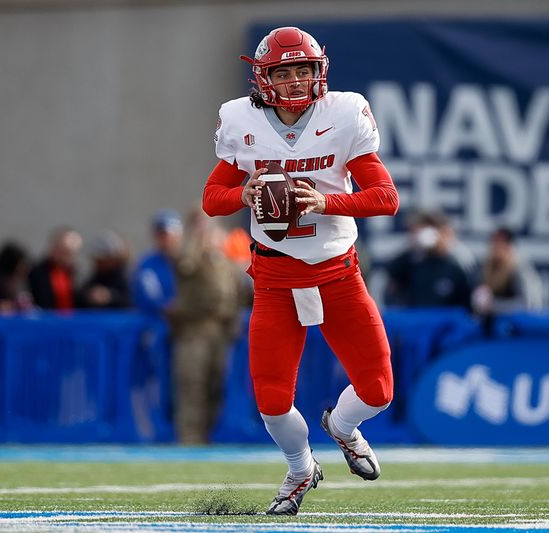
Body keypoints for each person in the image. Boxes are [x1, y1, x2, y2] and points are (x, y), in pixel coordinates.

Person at [202, 26, 399, 515]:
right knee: (271, 401)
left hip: (337, 273)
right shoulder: (240, 120)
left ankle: (343, 427)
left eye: (304, 69)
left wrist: (326, 200)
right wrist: (242, 194)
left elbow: (386, 198)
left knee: (378, 391)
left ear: (320, 72)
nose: (295, 80)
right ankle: (300, 468)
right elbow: (212, 200)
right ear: (263, 78)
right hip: (274, 279)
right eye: (284, 71)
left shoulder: (344, 113)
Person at [167, 207, 245, 444]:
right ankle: (189, 437)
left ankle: (206, 434)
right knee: (192, 383)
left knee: (216, 384)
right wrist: (196, 235)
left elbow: (239, 293)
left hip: (220, 331)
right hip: (195, 329)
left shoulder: (225, 262)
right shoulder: (191, 256)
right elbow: (184, 264)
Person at [385, 210, 473, 309]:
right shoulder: (414, 261)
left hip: (447, 321)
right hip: (417, 319)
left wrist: (442, 246)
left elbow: (468, 297)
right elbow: (391, 272)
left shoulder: (456, 262)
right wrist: (412, 246)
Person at [471, 227, 545, 314]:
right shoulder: (489, 266)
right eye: (493, 242)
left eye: (500, 242)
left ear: (509, 245)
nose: (495, 247)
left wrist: (493, 305)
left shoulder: (520, 267)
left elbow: (528, 304)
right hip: (498, 321)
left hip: (522, 322)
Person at [131, 209, 183, 316]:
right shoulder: (147, 264)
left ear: (179, 235)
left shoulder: (190, 261)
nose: (165, 240)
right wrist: (166, 306)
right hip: (156, 321)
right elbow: (148, 294)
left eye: (168, 235)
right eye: (160, 235)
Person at [28, 227, 83, 311]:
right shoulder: (38, 272)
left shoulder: (72, 272)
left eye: (70, 253)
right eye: (64, 251)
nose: (67, 256)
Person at [77, 230, 131, 309]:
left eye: (102, 258)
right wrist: (89, 296)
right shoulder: (96, 276)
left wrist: (110, 297)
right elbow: (79, 298)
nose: (97, 262)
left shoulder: (127, 278)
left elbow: (132, 302)